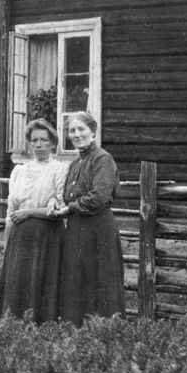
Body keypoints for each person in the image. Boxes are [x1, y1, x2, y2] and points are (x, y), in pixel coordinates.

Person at [53, 111, 126, 325]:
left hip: (98, 227)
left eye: (81, 129)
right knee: (77, 276)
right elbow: (66, 196)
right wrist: (59, 204)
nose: (76, 134)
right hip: (76, 228)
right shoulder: (75, 165)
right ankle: (77, 330)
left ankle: (105, 330)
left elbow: (99, 197)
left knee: (101, 276)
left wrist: (70, 208)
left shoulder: (102, 158)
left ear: (93, 132)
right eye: (72, 130)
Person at [0, 119, 68, 323]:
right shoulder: (20, 171)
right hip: (20, 236)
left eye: (44, 140)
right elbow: (12, 208)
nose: (38, 145)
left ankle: (43, 328)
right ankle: (15, 326)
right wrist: (7, 240)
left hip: (47, 236)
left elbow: (62, 209)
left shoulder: (60, 169)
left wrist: (29, 212)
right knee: (18, 280)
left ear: (53, 143)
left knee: (42, 282)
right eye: (34, 140)